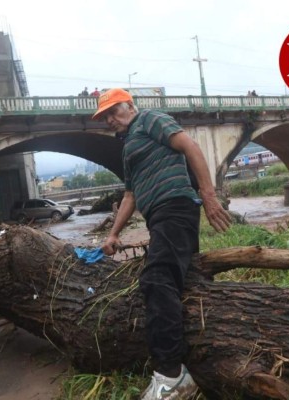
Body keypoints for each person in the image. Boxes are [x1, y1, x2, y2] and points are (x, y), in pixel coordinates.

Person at [92, 88, 231, 399]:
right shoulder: (128, 147)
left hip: (176, 206)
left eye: (114, 111)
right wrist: (114, 235)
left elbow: (190, 146)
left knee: (156, 279)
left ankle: (171, 374)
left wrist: (208, 198)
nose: (110, 120)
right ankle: (192, 357)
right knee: (178, 282)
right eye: (105, 117)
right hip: (160, 218)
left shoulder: (149, 120)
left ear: (130, 105)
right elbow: (130, 196)